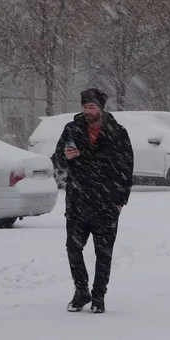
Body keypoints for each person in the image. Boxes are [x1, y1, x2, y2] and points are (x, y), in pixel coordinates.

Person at [54, 88, 134, 314]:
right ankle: (81, 291)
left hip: (106, 202)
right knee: (73, 248)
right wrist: (63, 157)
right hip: (78, 200)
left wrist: (119, 201)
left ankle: (99, 296)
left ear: (101, 108)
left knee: (103, 252)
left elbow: (126, 169)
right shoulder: (72, 129)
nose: (88, 111)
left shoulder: (117, 132)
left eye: (92, 107)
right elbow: (57, 159)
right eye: (85, 107)